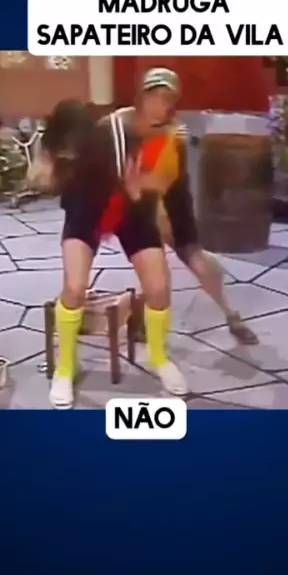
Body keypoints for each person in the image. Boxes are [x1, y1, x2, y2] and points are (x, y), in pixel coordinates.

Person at [31, 99, 188, 409]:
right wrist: (47, 168)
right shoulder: (55, 147)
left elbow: (139, 131)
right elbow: (42, 180)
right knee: (74, 288)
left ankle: (158, 357)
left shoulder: (114, 134)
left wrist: (139, 187)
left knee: (158, 288)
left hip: (129, 210)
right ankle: (65, 367)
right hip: (85, 212)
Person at [115, 67, 258, 345]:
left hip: (166, 203)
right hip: (141, 202)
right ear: (142, 95)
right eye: (154, 95)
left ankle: (230, 315)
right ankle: (144, 320)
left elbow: (160, 182)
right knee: (159, 268)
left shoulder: (172, 132)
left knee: (192, 260)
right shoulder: (123, 120)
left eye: (167, 98)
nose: (159, 103)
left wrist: (160, 217)